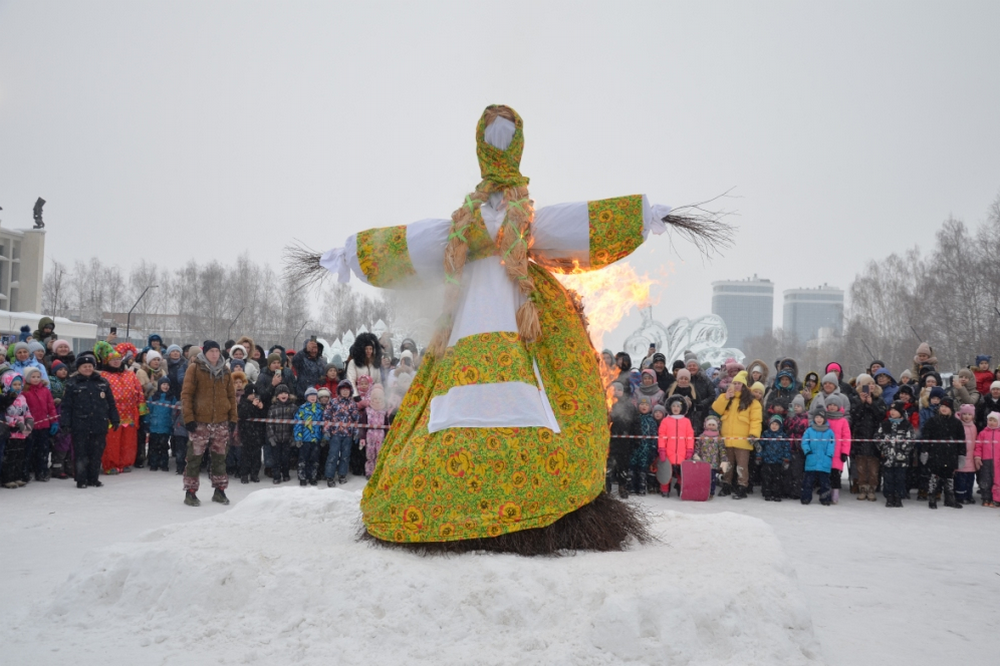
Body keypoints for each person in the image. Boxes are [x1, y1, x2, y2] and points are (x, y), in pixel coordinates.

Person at [180, 340, 237, 506]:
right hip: (200, 422)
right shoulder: (195, 368)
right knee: (194, 458)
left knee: (220, 458)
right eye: (211, 351)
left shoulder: (225, 371)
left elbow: (231, 397)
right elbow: (187, 395)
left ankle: (219, 491)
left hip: (221, 421)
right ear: (205, 353)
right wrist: (189, 418)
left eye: (217, 351)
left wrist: (233, 418)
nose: (214, 354)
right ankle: (190, 492)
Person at [61, 355, 120, 489]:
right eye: (84, 367)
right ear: (79, 368)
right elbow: (66, 406)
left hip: (99, 423)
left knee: (96, 453)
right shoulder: (72, 383)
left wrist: (115, 418)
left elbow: (110, 403)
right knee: (81, 454)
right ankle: (81, 479)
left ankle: (93, 478)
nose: (88, 369)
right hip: (80, 424)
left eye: (90, 366)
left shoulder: (102, 382)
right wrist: (65, 423)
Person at [712, 370, 762, 499]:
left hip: (743, 441)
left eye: (740, 383)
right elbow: (716, 409)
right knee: (726, 464)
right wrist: (725, 398)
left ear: (744, 386)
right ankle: (726, 485)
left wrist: (753, 434)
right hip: (727, 439)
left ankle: (742, 487)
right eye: (735, 383)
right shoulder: (727, 398)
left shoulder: (752, 402)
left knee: (742, 466)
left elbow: (756, 420)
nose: (737, 385)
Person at [918, 397, 965, 509]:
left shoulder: (957, 423)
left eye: (946, 407)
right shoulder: (932, 421)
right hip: (935, 454)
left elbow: (961, 440)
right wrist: (924, 451)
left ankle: (949, 498)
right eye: (942, 406)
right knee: (934, 476)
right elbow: (926, 437)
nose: (944, 409)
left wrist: (961, 454)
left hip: (951, 454)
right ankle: (932, 497)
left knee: (949, 477)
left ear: (951, 409)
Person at [851, 374, 885, 501]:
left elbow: (881, 416)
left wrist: (872, 404)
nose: (870, 386)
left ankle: (872, 488)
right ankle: (862, 488)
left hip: (874, 437)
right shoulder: (855, 399)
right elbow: (854, 416)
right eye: (867, 384)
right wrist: (861, 403)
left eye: (872, 384)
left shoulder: (879, 400)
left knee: (873, 467)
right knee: (861, 466)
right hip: (860, 437)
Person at [21, 366, 58, 483]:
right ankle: (25, 472)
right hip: (30, 426)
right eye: (33, 377)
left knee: (43, 450)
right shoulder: (24, 392)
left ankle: (42, 471)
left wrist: (53, 421)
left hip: (44, 425)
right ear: (27, 378)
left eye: (38, 376)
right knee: (28, 450)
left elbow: (51, 407)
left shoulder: (45, 391)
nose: (36, 379)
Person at [876, 401, 915, 508]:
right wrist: (884, 449)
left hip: (901, 458)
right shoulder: (885, 424)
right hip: (888, 457)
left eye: (895, 410)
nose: (892, 412)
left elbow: (911, 440)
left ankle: (898, 496)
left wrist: (903, 450)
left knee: (900, 478)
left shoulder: (906, 425)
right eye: (891, 410)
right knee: (888, 478)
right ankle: (889, 496)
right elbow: (878, 438)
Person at [323, 379, 360, 486]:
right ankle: (329, 476)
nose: (345, 392)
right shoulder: (333, 402)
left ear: (350, 391)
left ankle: (342, 474)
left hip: (348, 434)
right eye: (343, 390)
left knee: (345, 456)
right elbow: (327, 416)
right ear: (339, 391)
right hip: (335, 434)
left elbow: (356, 419)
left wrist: (356, 432)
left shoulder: (352, 404)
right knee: (333, 455)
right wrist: (326, 430)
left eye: (347, 390)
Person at [656, 395, 693, 497]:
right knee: (666, 471)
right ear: (670, 408)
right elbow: (662, 436)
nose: (676, 408)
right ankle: (664, 489)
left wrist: (690, 449)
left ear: (681, 408)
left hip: (682, 452)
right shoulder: (665, 421)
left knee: (681, 472)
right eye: (674, 406)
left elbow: (690, 436)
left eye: (678, 406)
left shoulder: (686, 421)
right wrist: (662, 449)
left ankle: (679, 486)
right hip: (668, 452)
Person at [0, 373, 33, 488]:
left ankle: (17, 476)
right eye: (15, 384)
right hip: (11, 432)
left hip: (22, 433)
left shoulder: (22, 397)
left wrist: (29, 421)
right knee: (10, 456)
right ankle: (7, 478)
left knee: (20, 455)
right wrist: (16, 423)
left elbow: (27, 411)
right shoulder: (6, 398)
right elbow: (5, 415)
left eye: (19, 384)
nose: (18, 386)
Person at [800, 412, 836, 506]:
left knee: (825, 482)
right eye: (817, 417)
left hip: (825, 461)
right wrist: (807, 451)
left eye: (821, 417)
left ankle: (825, 498)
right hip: (811, 459)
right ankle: (806, 498)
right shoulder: (809, 430)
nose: (819, 419)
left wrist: (829, 455)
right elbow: (804, 442)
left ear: (824, 419)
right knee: (808, 481)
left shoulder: (829, 432)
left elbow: (831, 445)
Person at [293, 386, 324, 486]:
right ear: (306, 397)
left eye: (314, 395)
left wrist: (324, 437)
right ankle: (302, 477)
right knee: (303, 459)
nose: (313, 397)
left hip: (316, 439)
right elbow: (297, 425)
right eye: (310, 395)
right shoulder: (302, 409)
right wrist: (298, 438)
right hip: (305, 439)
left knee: (314, 459)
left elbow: (324, 425)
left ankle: (312, 476)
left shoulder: (320, 409)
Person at [824, 393, 852, 504]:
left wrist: (845, 452)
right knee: (825, 474)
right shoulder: (824, 418)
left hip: (837, 453)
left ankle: (835, 493)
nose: (831, 407)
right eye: (829, 404)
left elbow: (846, 437)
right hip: (825, 452)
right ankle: (825, 493)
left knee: (835, 475)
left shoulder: (843, 421)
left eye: (834, 405)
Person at [756, 415, 790, 502]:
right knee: (766, 478)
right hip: (766, 460)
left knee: (777, 478)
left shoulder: (783, 436)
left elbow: (786, 448)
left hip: (778, 461)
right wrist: (759, 456)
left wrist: (786, 459)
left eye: (776, 424)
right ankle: (767, 493)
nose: (774, 426)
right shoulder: (766, 434)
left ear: (780, 426)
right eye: (772, 424)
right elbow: (760, 447)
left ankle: (777, 494)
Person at [237, 383, 266, 484]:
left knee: (256, 455)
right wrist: (253, 406)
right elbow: (243, 414)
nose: (253, 396)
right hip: (246, 433)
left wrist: (261, 408)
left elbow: (263, 416)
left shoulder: (258, 402)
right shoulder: (243, 403)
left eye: (254, 393)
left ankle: (255, 473)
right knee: (246, 455)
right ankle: (244, 474)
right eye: (251, 394)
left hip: (257, 433)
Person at [267, 385, 296, 484]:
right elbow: (269, 423)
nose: (283, 395)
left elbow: (296, 424)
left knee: (286, 458)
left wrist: (293, 437)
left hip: (287, 439)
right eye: (281, 393)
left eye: (285, 393)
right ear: (277, 396)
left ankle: (286, 474)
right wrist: (271, 436)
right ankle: (276, 475)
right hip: (276, 439)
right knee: (276, 459)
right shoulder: (272, 408)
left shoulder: (293, 407)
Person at [147, 378, 176, 472]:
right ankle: (153, 464)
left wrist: (172, 424)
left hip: (165, 426)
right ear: (159, 385)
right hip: (154, 426)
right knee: (153, 446)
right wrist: (147, 422)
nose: (165, 386)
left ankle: (164, 464)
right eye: (163, 384)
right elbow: (148, 411)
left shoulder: (172, 398)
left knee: (164, 446)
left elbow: (174, 412)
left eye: (167, 385)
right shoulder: (153, 397)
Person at [693, 414, 725, 497]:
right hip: (703, 462)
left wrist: (724, 460)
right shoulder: (702, 436)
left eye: (713, 425)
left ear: (717, 426)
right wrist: (696, 454)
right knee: (701, 478)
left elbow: (722, 450)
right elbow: (697, 447)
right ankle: (701, 490)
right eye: (709, 424)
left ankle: (711, 492)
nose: (711, 426)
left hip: (714, 463)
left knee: (712, 479)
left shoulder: (719, 438)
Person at [362, 385, 389, 479]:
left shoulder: (384, 412)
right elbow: (363, 425)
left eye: (379, 398)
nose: (377, 400)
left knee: (380, 454)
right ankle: (369, 472)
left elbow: (387, 426)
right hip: (370, 435)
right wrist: (362, 437)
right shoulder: (367, 411)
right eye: (375, 398)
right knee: (370, 455)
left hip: (381, 436)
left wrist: (387, 436)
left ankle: (378, 472)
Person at [954, 404, 978, 504]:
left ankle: (969, 494)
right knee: (960, 478)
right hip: (962, 456)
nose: (967, 416)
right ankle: (960, 495)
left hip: (971, 458)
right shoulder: (958, 426)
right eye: (964, 414)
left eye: (969, 414)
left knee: (970, 478)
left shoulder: (973, 427)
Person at [974, 412, 1000, 507]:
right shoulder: (982, 433)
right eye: (990, 420)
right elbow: (978, 446)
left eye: (994, 420)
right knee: (985, 480)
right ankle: (986, 498)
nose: (991, 422)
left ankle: (997, 499)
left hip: (998, 461)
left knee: (997, 480)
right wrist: (977, 456)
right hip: (986, 460)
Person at [345, 333, 380, 397]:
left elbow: (378, 382)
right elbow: (351, 380)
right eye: (366, 349)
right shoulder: (353, 363)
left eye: (370, 349)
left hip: (372, 397)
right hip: (358, 396)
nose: (368, 351)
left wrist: (378, 394)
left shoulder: (375, 363)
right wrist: (355, 395)